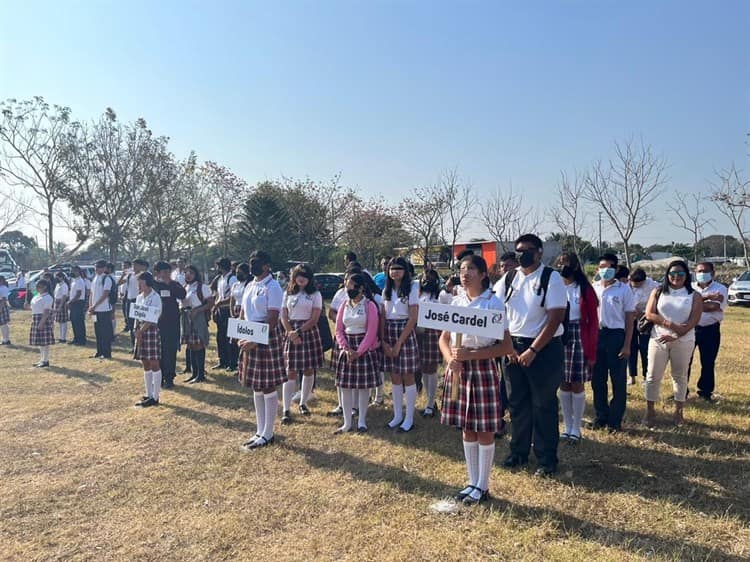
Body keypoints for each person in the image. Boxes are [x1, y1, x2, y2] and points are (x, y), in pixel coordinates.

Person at [440, 254, 513, 505]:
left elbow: (505, 346)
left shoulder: (493, 303)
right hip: (459, 369)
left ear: (483, 274)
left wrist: (473, 354)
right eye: (461, 268)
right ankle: (471, 481)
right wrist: (450, 358)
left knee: (484, 429)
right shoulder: (456, 301)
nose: (464, 273)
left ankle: (483, 485)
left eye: (471, 268)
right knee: (467, 427)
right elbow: (444, 338)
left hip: (482, 369)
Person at [496, 234, 566, 477]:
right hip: (513, 347)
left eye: (527, 250)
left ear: (539, 252)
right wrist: (508, 347)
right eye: (518, 251)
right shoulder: (510, 278)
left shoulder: (551, 277)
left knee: (543, 404)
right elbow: (496, 310)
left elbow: (555, 317)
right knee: (517, 403)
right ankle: (518, 452)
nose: (522, 254)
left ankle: (546, 459)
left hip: (543, 349)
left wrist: (533, 350)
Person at [643, 260, 703, 426]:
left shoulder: (694, 295)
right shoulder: (658, 291)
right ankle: (650, 411)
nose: (676, 277)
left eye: (680, 274)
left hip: (684, 341)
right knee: (652, 375)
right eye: (672, 274)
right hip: (658, 339)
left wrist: (676, 334)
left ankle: (678, 412)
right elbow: (649, 314)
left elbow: (693, 321)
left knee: (680, 376)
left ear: (687, 275)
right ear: (667, 275)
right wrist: (669, 325)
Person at [238, 250, 286, 450]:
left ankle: (268, 432)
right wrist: (241, 334)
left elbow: (273, 319)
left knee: (267, 385)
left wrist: (256, 340)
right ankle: (259, 430)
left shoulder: (272, 286)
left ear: (267, 265)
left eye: (257, 262)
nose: (253, 265)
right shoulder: (250, 284)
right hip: (250, 335)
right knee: (256, 385)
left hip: (265, 336)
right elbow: (242, 312)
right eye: (251, 261)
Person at [556, 252, 599, 444]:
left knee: (577, 383)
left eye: (566, 264)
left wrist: (591, 351)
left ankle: (577, 427)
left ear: (574, 266)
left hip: (578, 334)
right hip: (559, 334)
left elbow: (593, 321)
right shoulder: (555, 287)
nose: (562, 267)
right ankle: (567, 425)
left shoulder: (584, 289)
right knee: (563, 382)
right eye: (560, 264)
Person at [591, 253, 636, 433]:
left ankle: (615, 420)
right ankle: (601, 416)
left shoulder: (623, 289)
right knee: (597, 380)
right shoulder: (593, 288)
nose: (605, 270)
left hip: (616, 336)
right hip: (597, 336)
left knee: (618, 380)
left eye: (609, 267)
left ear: (616, 269)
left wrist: (627, 344)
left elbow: (629, 318)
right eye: (602, 267)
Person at [381, 256, 420, 433]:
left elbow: (413, 318)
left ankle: (409, 417)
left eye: (399, 268)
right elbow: (383, 316)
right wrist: (384, 341)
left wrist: (398, 343)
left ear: (405, 271)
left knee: (408, 376)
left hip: (405, 331)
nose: (395, 272)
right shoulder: (386, 290)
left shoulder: (413, 287)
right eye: (392, 268)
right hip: (389, 330)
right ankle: (397, 415)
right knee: (395, 376)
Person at [280, 264, 324, 423]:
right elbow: (283, 316)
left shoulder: (315, 294)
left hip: (308, 332)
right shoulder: (288, 293)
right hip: (290, 331)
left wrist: (298, 332)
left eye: (305, 276)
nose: (301, 278)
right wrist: (290, 332)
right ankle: (286, 409)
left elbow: (314, 319)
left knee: (308, 370)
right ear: (294, 277)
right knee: (290, 372)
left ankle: (303, 403)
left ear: (310, 278)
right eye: (299, 275)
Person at [688, 262, 728, 402]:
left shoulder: (720, 288)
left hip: (710, 329)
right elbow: (684, 305)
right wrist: (705, 301)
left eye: (705, 271)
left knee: (708, 362)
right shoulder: (690, 287)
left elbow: (714, 307)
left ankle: (705, 392)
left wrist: (693, 304)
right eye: (699, 271)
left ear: (713, 273)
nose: (702, 274)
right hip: (690, 328)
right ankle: (681, 390)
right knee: (685, 361)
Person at [153, 261, 186, 389]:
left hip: (172, 322)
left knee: (170, 350)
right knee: (159, 350)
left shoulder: (174, 284)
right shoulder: (154, 285)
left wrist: (170, 285)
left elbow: (182, 294)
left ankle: (169, 377)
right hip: (157, 322)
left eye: (168, 272)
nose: (166, 274)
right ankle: (159, 377)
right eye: (164, 272)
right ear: (158, 273)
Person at [133, 272, 163, 407]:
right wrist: (136, 330)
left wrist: (141, 330)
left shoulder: (155, 297)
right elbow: (136, 314)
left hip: (150, 331)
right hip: (140, 331)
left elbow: (153, 317)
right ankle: (148, 393)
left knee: (154, 362)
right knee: (145, 362)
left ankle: (155, 397)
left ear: (146, 281)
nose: (138, 284)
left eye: (140, 281)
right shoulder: (139, 297)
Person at [180, 265, 213, 383]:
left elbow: (210, 302)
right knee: (190, 345)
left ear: (196, 274)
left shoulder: (202, 287)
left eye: (191, 273)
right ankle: (194, 373)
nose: (188, 275)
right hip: (186, 316)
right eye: (186, 273)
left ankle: (200, 374)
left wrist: (198, 310)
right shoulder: (185, 287)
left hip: (198, 317)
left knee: (199, 344)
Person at [416, 269, 442, 417]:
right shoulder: (418, 295)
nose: (427, 282)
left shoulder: (441, 296)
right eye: (424, 279)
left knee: (431, 368)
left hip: (434, 333)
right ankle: (429, 400)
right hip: (420, 333)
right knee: (424, 368)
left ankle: (431, 403)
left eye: (430, 279)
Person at [627, 268, 659, 384]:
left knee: (645, 348)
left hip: (646, 320)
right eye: (633, 283)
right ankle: (632, 376)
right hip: (630, 319)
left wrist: (643, 313)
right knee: (631, 347)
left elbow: (657, 303)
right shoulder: (626, 284)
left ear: (644, 281)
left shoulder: (653, 286)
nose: (635, 286)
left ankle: (646, 375)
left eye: (638, 284)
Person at [212, 257, 237, 372]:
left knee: (229, 338)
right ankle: (222, 360)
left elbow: (233, 297)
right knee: (220, 337)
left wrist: (219, 303)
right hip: (220, 310)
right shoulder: (220, 279)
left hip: (228, 310)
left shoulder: (232, 279)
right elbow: (218, 295)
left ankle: (231, 362)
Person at [88, 260, 114, 360]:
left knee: (105, 332)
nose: (96, 269)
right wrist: (91, 307)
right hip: (95, 310)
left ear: (104, 268)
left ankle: (107, 353)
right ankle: (99, 351)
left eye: (99, 267)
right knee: (97, 331)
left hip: (104, 310)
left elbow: (105, 294)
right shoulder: (95, 278)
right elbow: (91, 294)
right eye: (96, 267)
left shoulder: (106, 278)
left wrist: (95, 306)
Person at [229, 263, 251, 373]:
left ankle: (244, 365)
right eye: (237, 272)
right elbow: (232, 299)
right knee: (234, 341)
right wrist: (232, 312)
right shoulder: (235, 285)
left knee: (243, 339)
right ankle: (236, 364)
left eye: (240, 272)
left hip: (244, 312)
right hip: (236, 311)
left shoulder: (249, 284)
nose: (238, 274)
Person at [29, 278, 54, 367]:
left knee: (44, 342)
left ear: (45, 287)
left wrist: (42, 322)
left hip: (43, 319)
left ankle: (45, 360)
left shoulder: (48, 297)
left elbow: (46, 311)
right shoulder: (36, 296)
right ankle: (41, 360)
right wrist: (27, 306)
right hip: (35, 318)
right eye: (36, 286)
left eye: (39, 287)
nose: (37, 288)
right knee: (40, 342)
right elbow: (34, 308)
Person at [68, 266, 87, 346]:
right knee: (74, 321)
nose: (72, 272)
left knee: (79, 322)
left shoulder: (80, 281)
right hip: (74, 303)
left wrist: (70, 302)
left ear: (78, 272)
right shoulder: (74, 281)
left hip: (78, 303)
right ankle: (76, 338)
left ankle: (81, 339)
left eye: (74, 271)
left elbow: (78, 294)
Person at [118, 260, 137, 334]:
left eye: (125, 266)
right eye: (123, 266)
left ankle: (132, 328)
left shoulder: (134, 274)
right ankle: (128, 326)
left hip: (133, 297)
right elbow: (119, 283)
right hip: (126, 295)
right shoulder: (127, 274)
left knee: (132, 315)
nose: (124, 267)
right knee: (126, 313)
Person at [53, 271, 70, 343]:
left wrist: (60, 306)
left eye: (58, 277)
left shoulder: (64, 285)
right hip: (57, 302)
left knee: (63, 322)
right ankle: (60, 337)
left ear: (62, 277)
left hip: (62, 303)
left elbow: (64, 296)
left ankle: (63, 338)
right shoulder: (57, 285)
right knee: (59, 321)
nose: (56, 278)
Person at [0, 275, 11, 345]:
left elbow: (3, 299)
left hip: (2, 306)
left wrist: (0, 308)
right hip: (1, 305)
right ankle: (5, 339)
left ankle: (6, 339)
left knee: (3, 324)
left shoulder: (3, 288)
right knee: (3, 324)